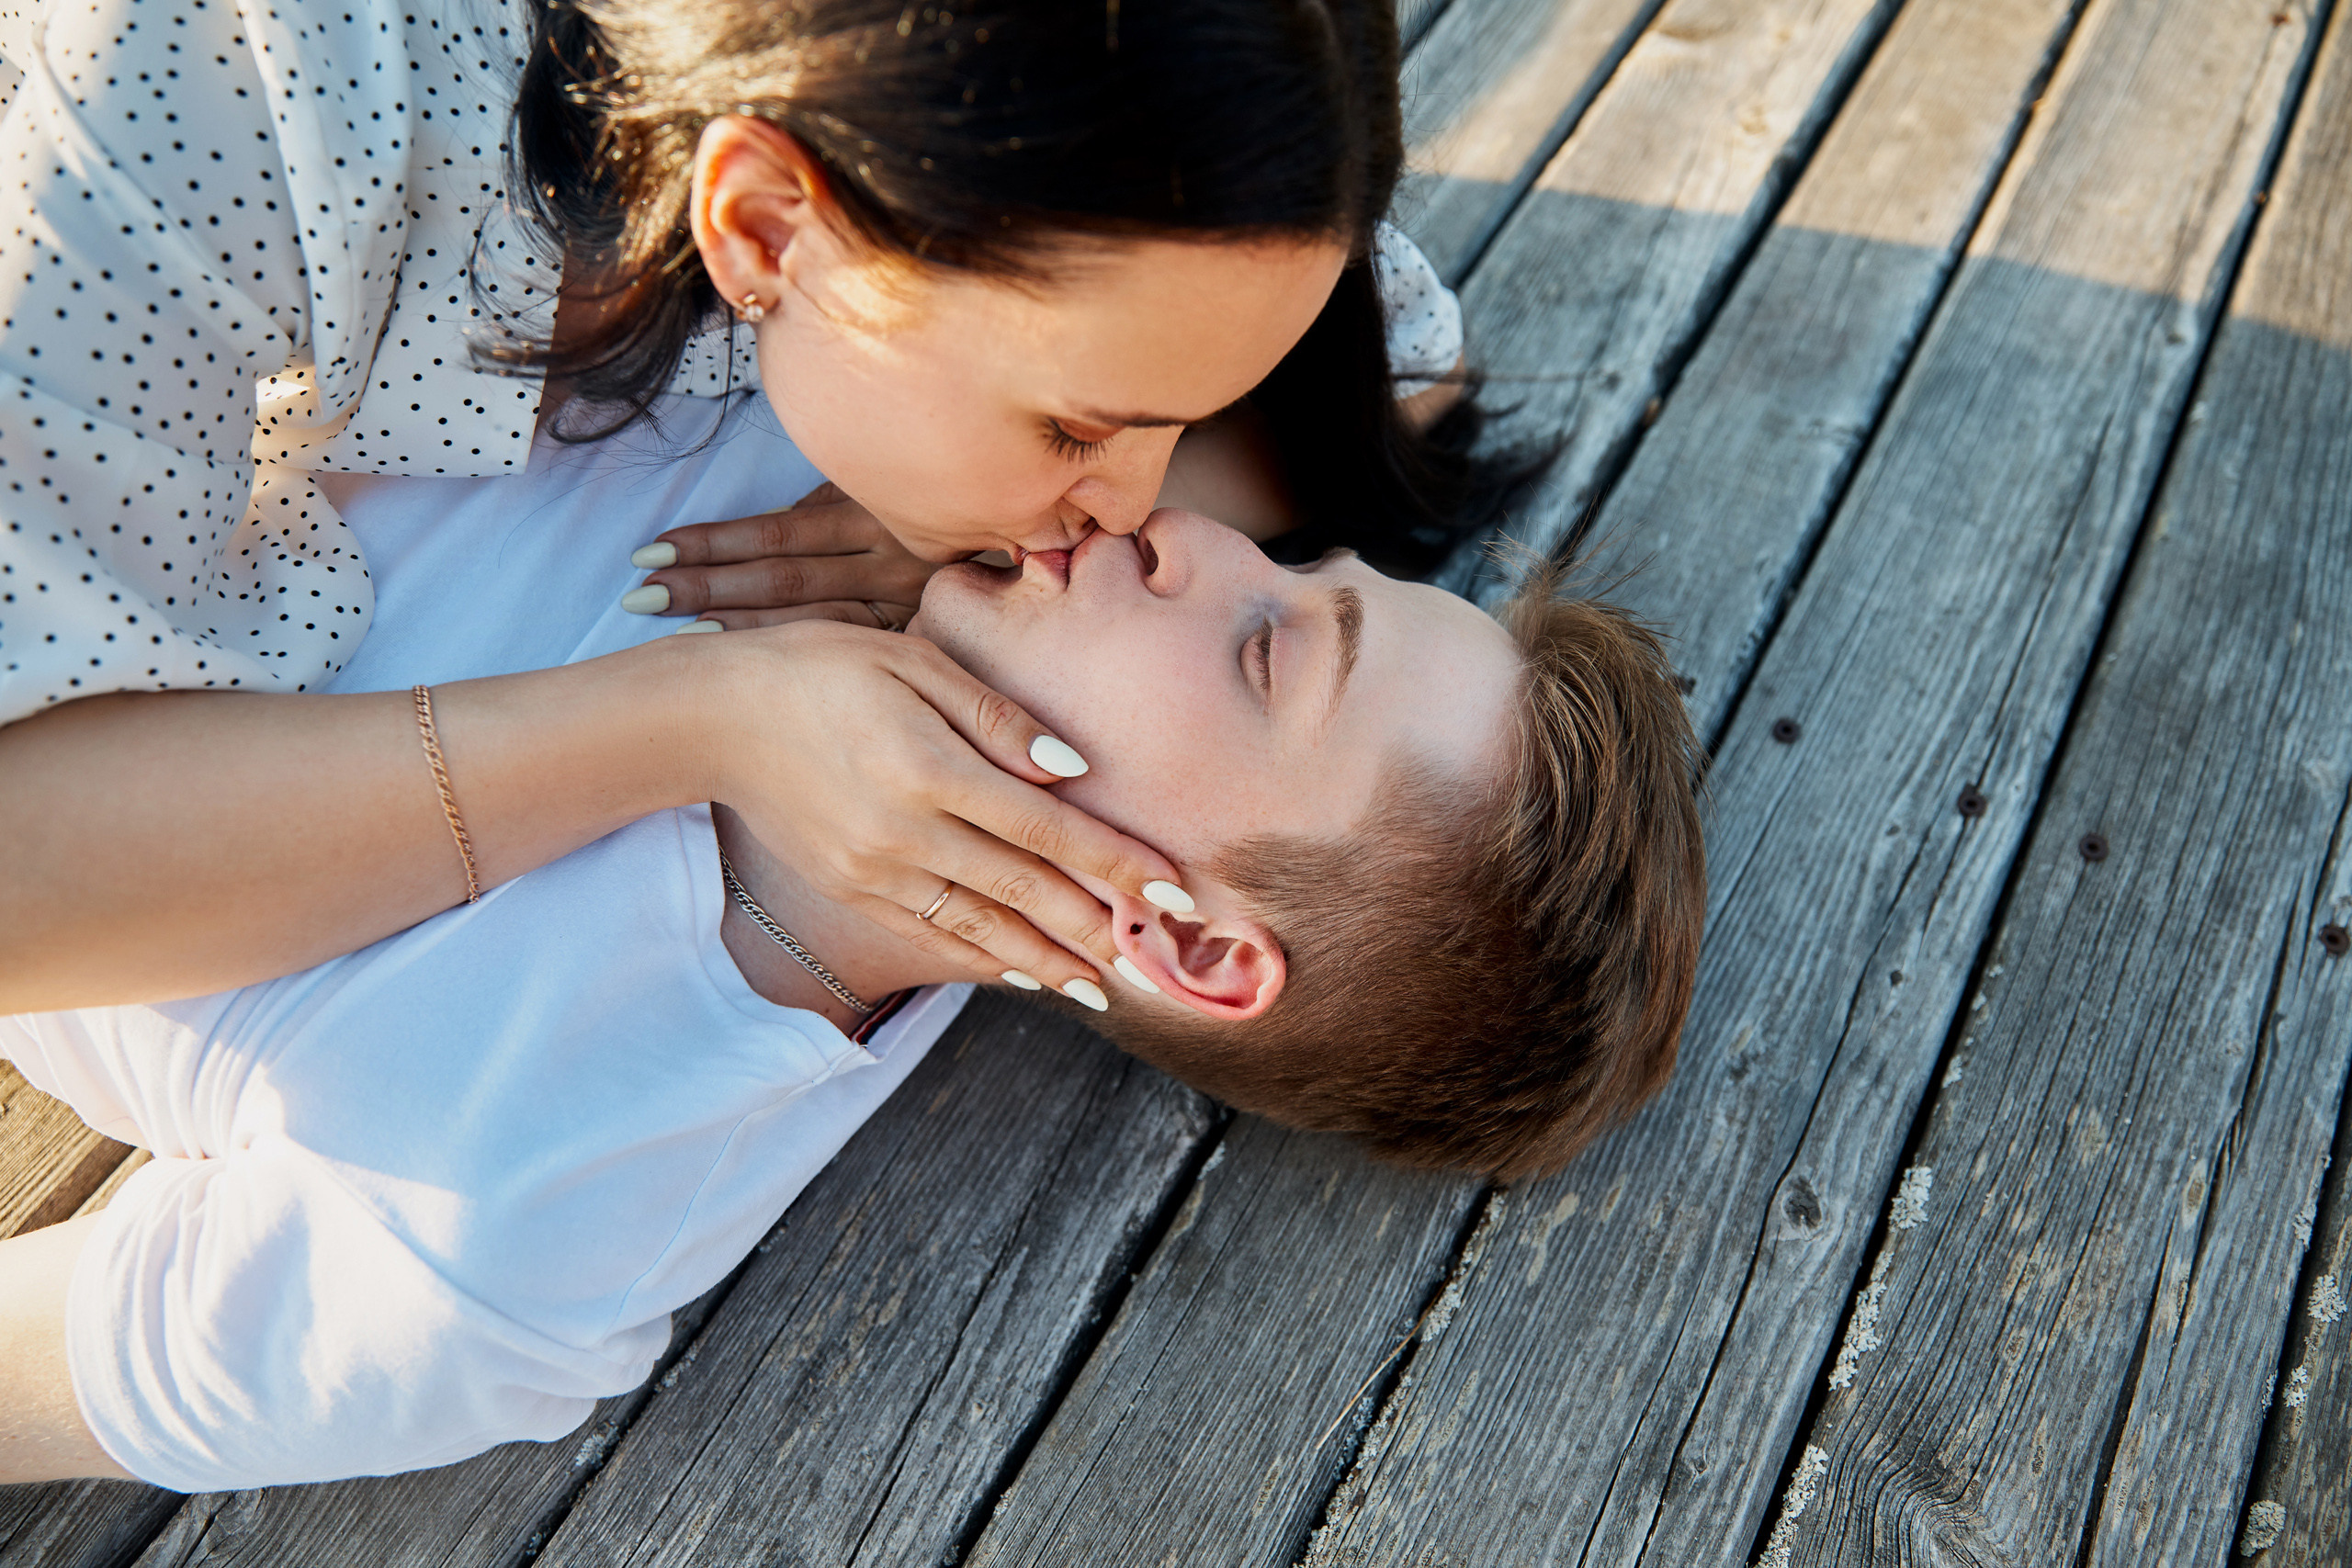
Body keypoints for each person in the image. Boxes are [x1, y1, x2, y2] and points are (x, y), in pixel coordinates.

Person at [0, 385, 1704, 1492]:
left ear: (1183, 947)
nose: (1183, 528)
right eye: (1280, 551)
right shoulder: (923, 440)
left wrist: (708, 715)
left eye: (1269, 648)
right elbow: (1403, 345)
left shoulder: (513, 1234)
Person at [0, 0, 1497, 1024]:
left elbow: (1412, 362)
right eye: (1078, 427)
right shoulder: (225, 79)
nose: (1127, 508)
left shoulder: (1076, 106)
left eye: (1170, 428)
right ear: (769, 225)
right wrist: (698, 719)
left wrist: (998, 493)